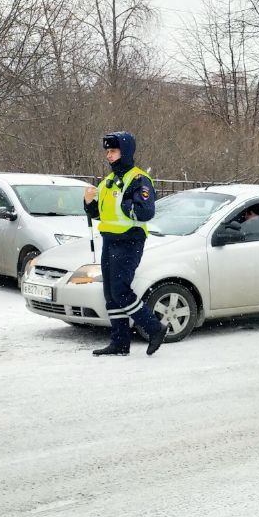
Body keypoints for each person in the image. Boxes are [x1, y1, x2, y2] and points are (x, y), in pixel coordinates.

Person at [83, 131, 167, 357]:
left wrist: (125, 202)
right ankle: (120, 342)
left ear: (125, 152)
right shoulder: (108, 181)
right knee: (110, 293)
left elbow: (145, 212)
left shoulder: (139, 179)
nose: (108, 156)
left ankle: (154, 327)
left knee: (121, 291)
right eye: (107, 152)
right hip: (109, 240)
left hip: (130, 240)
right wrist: (88, 203)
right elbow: (100, 214)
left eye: (113, 151)